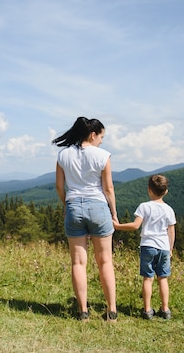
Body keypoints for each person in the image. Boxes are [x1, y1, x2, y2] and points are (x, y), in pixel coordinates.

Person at [52, 116, 118, 322]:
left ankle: (83, 311)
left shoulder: (63, 155)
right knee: (105, 261)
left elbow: (59, 187)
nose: (101, 141)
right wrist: (114, 213)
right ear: (93, 134)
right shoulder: (103, 155)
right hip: (98, 207)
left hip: (74, 207)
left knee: (78, 263)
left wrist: (67, 205)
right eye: (101, 137)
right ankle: (112, 311)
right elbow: (108, 189)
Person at [113, 174, 176, 320]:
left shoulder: (144, 207)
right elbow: (171, 231)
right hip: (164, 247)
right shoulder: (169, 210)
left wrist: (117, 226)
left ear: (149, 190)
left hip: (148, 246)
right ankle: (165, 309)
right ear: (165, 191)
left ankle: (147, 310)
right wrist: (170, 249)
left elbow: (135, 226)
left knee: (148, 279)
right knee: (163, 279)